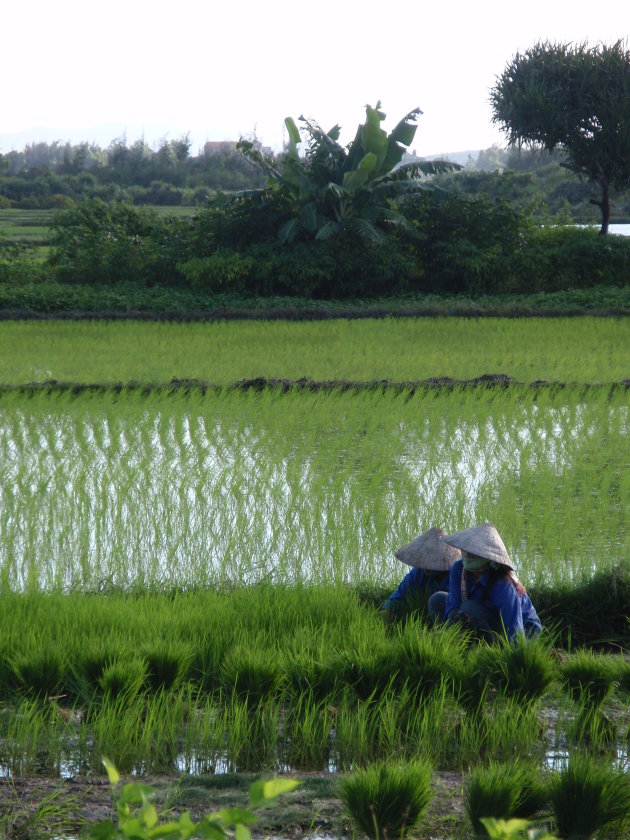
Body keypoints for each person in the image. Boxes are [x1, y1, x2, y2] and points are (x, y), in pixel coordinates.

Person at [428, 522, 542, 641]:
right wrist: (453, 627)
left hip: (523, 629)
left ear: (487, 556)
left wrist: (514, 652)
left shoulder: (502, 583)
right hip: (483, 614)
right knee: (437, 600)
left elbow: (514, 625)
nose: (466, 554)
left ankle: (491, 644)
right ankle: (459, 641)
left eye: (473, 552)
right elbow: (454, 604)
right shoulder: (459, 568)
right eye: (465, 550)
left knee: (468, 607)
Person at [381, 526, 461, 623]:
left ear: (442, 561)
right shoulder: (419, 572)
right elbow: (398, 596)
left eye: (431, 563)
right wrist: (385, 616)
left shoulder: (457, 574)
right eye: (424, 561)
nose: (425, 567)